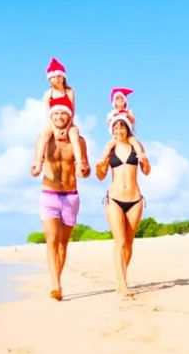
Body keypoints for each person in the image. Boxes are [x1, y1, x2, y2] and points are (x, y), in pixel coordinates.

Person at [31, 94, 91, 301]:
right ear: (51, 116)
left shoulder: (79, 141)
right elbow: (35, 166)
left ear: (68, 116)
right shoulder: (44, 140)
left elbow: (86, 170)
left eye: (62, 113)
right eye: (55, 113)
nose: (58, 116)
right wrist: (35, 168)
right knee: (52, 240)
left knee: (63, 244)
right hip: (49, 195)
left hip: (71, 196)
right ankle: (55, 285)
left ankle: (58, 280)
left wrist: (84, 170)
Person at [95, 114, 151, 297]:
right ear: (111, 130)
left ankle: (122, 277)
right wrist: (99, 166)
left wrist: (144, 160)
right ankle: (122, 283)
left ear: (128, 128)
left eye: (122, 127)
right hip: (114, 199)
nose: (119, 131)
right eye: (115, 128)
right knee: (119, 241)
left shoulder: (136, 146)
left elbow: (147, 171)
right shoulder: (110, 149)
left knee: (129, 243)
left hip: (135, 199)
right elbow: (101, 176)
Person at [32, 58, 86, 178]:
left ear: (63, 77)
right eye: (53, 77)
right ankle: (38, 162)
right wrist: (55, 130)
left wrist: (67, 129)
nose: (56, 79)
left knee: (74, 134)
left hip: (68, 122)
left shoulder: (69, 91)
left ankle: (79, 163)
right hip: (53, 123)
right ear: (49, 79)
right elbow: (48, 115)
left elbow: (72, 111)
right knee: (44, 136)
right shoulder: (48, 94)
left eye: (59, 76)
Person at [100, 87, 147, 164]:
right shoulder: (112, 112)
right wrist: (112, 117)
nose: (120, 100)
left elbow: (133, 120)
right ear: (114, 102)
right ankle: (103, 159)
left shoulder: (128, 111)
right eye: (117, 99)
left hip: (128, 133)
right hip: (116, 135)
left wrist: (127, 115)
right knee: (109, 145)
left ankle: (140, 155)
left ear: (125, 101)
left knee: (134, 142)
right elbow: (108, 123)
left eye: (122, 98)